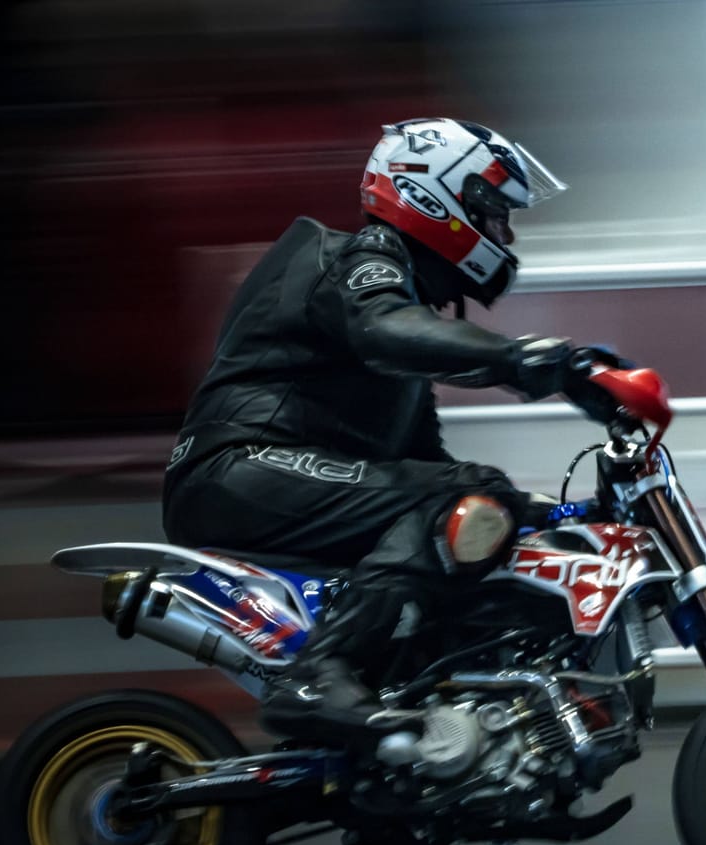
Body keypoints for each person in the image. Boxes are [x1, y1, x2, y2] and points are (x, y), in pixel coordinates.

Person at [162, 117, 623, 746]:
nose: (505, 234)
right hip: (240, 467)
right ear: (437, 199)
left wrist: (530, 510)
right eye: (492, 213)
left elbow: (426, 467)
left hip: (273, 476)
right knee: (469, 492)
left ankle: (424, 703)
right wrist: (524, 358)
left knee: (482, 504)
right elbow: (384, 329)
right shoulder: (356, 262)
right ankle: (318, 678)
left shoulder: (399, 329)